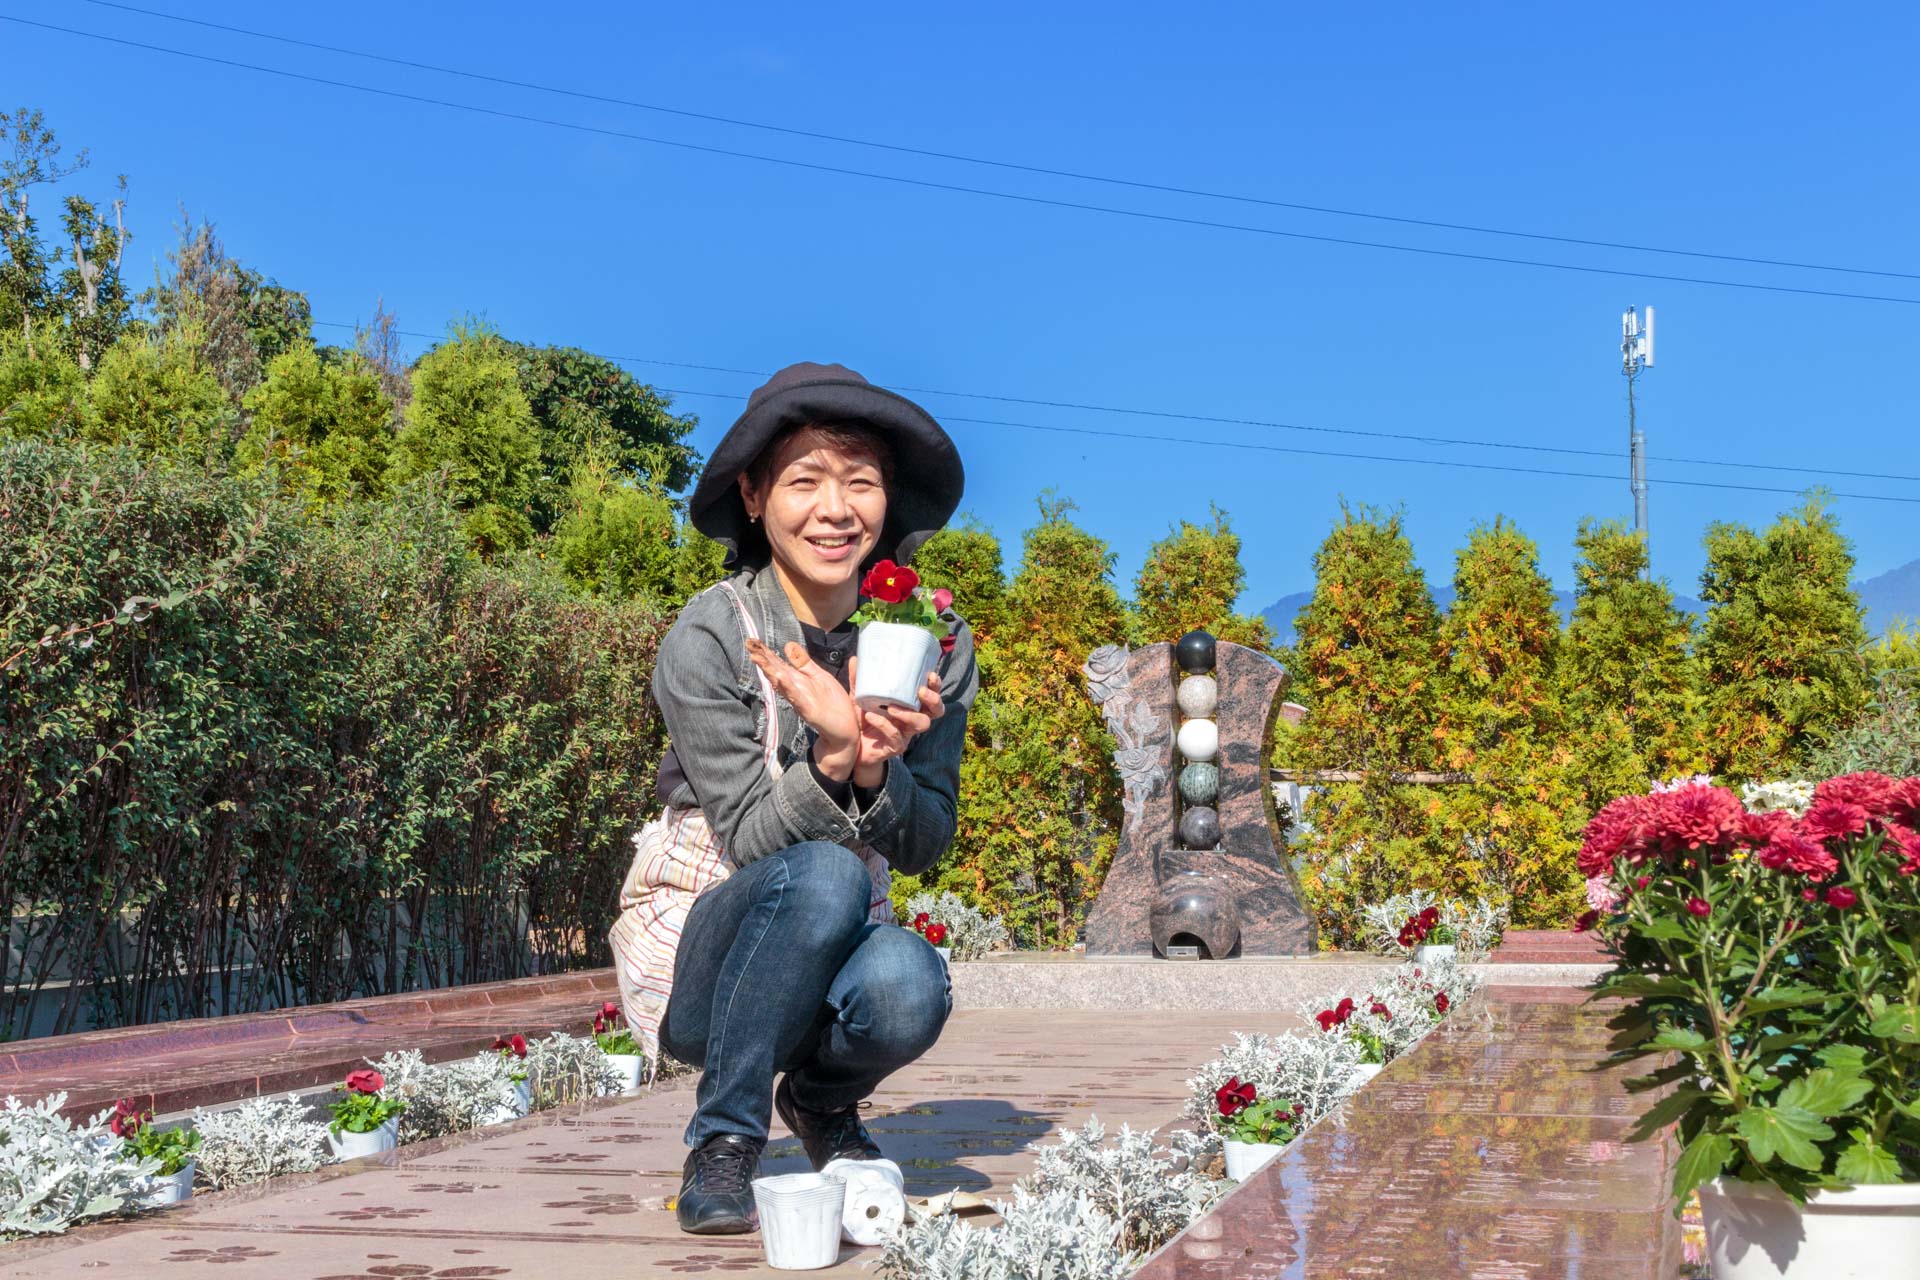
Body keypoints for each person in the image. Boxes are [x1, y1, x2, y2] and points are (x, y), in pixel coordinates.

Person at [609, 361, 975, 1235]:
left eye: (861, 482)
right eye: (805, 481)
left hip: (831, 944)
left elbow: (926, 844)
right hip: (705, 951)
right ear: (754, 494)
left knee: (909, 981)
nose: (836, 510)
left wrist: (882, 768)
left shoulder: (933, 646)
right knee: (821, 874)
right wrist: (837, 751)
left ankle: (818, 1104)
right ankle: (724, 1139)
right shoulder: (711, 635)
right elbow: (747, 839)